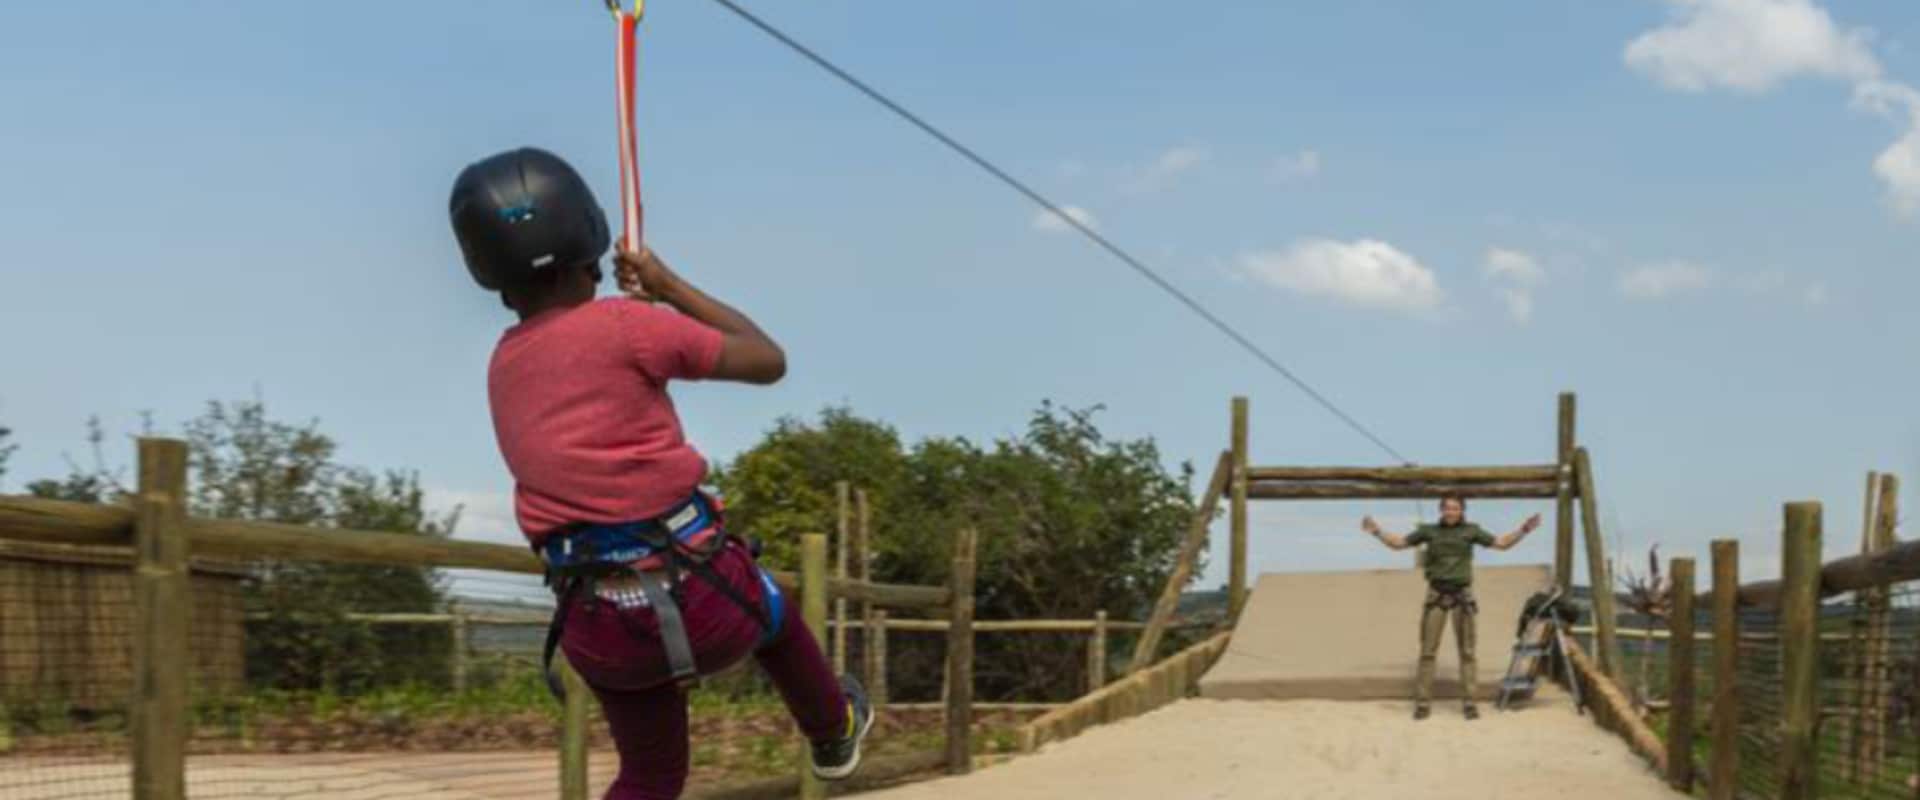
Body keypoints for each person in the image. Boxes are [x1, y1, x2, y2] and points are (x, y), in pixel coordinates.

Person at [450, 146, 874, 800]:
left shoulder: (502, 365)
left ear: (491, 276)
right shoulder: (629, 323)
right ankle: (833, 731)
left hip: (597, 623)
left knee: (651, 776)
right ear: (591, 241)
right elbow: (767, 360)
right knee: (779, 620)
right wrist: (668, 286)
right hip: (708, 598)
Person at [1361, 496, 1541, 721]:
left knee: (1467, 653)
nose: (1451, 511)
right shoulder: (1428, 531)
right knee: (1427, 652)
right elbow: (1398, 544)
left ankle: (1469, 703)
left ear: (1462, 510)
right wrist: (1377, 531)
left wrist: (1524, 530)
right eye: (1447, 507)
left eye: (1455, 508)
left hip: (1462, 596)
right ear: (1441, 510)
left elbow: (1502, 544)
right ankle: (1423, 703)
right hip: (1436, 595)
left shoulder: (1471, 530)